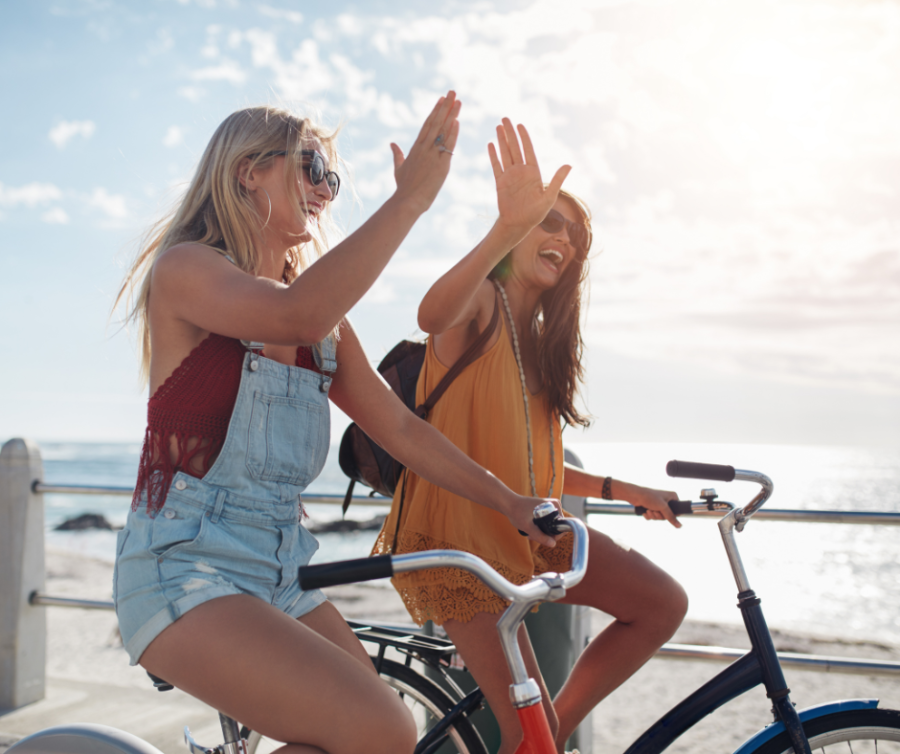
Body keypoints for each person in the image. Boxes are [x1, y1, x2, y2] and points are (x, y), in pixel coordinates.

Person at [112, 95, 561, 754]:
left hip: (282, 572)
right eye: (311, 167)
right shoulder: (187, 270)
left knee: (382, 739)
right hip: (183, 567)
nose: (326, 188)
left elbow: (403, 432)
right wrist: (410, 202)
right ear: (248, 173)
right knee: (380, 729)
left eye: (332, 177)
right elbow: (296, 313)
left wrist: (511, 501)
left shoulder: (323, 328)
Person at [372, 119, 689, 754]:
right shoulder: (480, 306)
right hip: (457, 541)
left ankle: (547, 735)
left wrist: (624, 488)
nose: (563, 238)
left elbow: (529, 472)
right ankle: (537, 740)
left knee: (661, 603)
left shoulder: (545, 349)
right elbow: (430, 313)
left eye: (573, 233)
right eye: (549, 221)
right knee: (530, 733)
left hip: (527, 527)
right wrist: (507, 225)